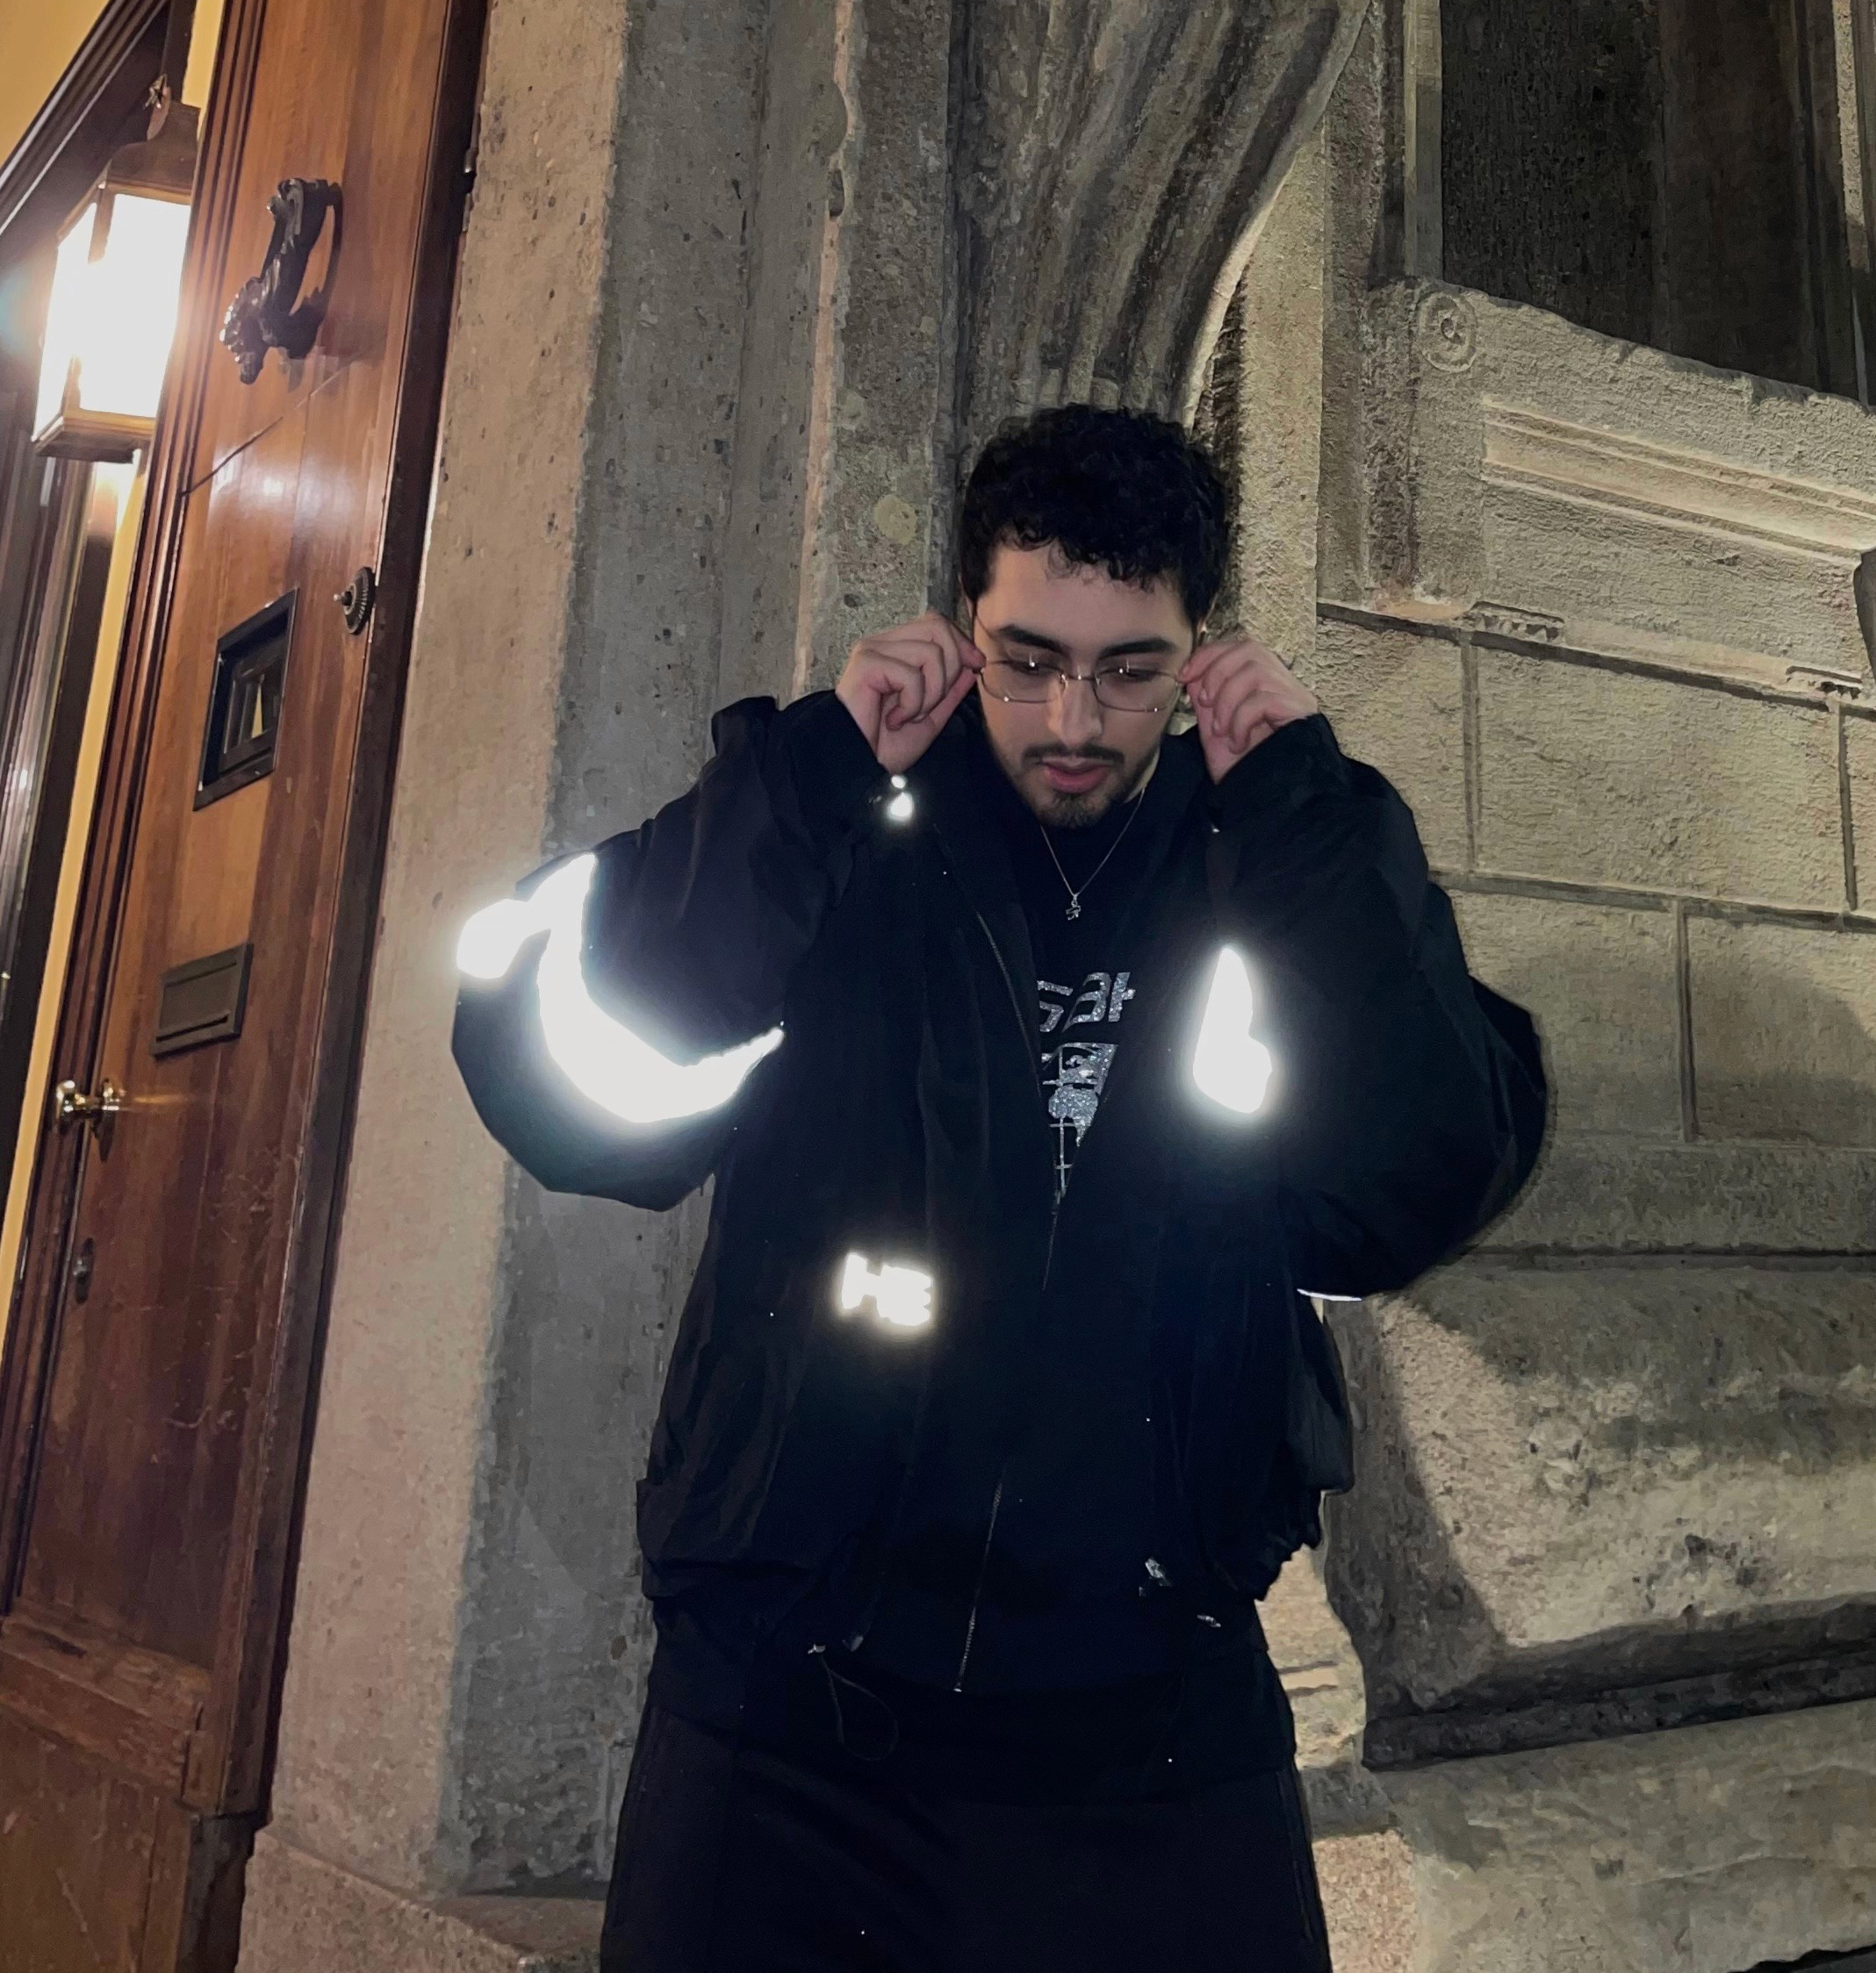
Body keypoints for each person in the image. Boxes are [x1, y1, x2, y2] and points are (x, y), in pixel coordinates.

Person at [449, 404, 1547, 1971]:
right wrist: (808, 780)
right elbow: (560, 1091)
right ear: (964, 629)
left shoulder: (1266, 866)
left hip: (1152, 1715)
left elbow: (1417, 1182)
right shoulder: (837, 825)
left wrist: (1313, 818)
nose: (1071, 718)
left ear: (1197, 653)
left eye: (1127, 668)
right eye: (1026, 659)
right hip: (789, 1702)